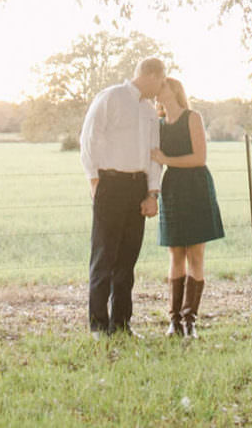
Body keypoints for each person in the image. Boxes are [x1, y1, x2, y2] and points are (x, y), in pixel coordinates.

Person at [77, 56, 165, 335]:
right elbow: (89, 138)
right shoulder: (111, 97)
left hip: (138, 187)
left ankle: (122, 324)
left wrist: (152, 193)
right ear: (152, 75)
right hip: (111, 184)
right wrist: (94, 179)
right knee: (104, 257)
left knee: (127, 260)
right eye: (161, 81)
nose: (161, 87)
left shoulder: (150, 111)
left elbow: (154, 155)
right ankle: (98, 325)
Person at [151, 75, 224, 337]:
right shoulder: (158, 124)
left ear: (173, 90)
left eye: (161, 86)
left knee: (195, 255)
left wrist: (166, 159)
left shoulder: (193, 118)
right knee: (175, 254)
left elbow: (199, 158)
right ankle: (174, 320)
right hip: (172, 189)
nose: (157, 91)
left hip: (196, 187)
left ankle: (190, 319)